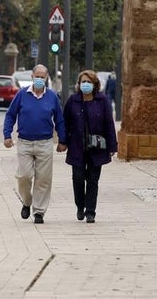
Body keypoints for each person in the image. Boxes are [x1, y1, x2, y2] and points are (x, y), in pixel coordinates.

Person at [3, 64, 66, 223]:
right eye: (36, 76)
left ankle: (39, 211)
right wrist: (7, 135)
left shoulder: (52, 97)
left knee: (43, 179)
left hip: (45, 142)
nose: (39, 79)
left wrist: (63, 140)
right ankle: (27, 201)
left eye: (42, 77)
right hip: (24, 142)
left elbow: (59, 119)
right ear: (32, 77)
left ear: (46, 78)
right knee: (24, 176)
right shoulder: (22, 95)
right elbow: (10, 115)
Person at [63, 69, 118, 223]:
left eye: (89, 82)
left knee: (93, 180)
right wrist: (63, 141)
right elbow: (65, 122)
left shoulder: (102, 101)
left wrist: (112, 146)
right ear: (79, 84)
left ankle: (90, 211)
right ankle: (80, 206)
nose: (85, 84)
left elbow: (109, 124)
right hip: (77, 146)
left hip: (97, 147)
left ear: (95, 85)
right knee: (78, 178)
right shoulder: (73, 100)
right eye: (83, 82)